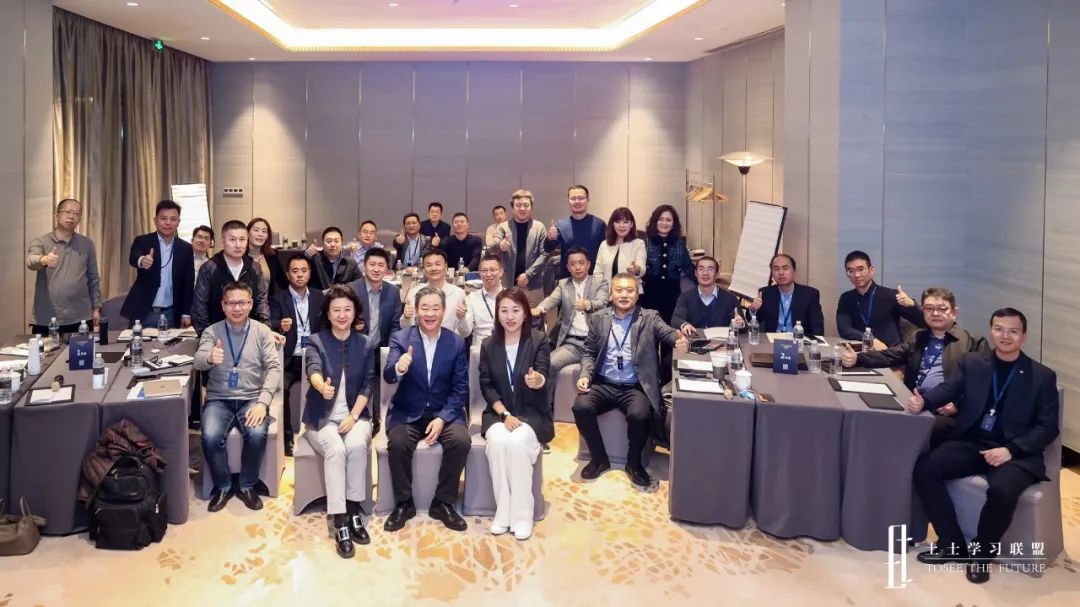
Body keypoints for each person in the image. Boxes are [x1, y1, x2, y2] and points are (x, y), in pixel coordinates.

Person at [909, 308, 1059, 585]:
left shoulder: (1041, 376)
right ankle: (952, 544)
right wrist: (924, 401)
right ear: (991, 330)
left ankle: (981, 555)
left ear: (1024, 336)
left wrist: (1011, 450)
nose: (1005, 336)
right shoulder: (973, 362)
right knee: (924, 469)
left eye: (1013, 331)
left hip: (1015, 453)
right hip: (974, 442)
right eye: (999, 329)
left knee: (1002, 489)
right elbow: (949, 389)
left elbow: (1048, 427)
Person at [572, 273, 688, 488]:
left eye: (629, 290)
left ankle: (634, 464)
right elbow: (588, 351)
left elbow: (669, 333)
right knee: (580, 407)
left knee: (640, 415)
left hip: (635, 386)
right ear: (611, 294)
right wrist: (585, 375)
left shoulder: (650, 317)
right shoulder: (598, 318)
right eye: (619, 290)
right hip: (604, 383)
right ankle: (599, 459)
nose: (624, 295)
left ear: (637, 294)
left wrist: (679, 339)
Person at [842, 287, 988, 446]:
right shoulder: (919, 337)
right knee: (869, 416)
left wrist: (958, 404)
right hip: (912, 401)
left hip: (945, 412)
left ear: (954, 312)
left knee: (905, 431)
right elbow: (892, 355)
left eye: (942, 309)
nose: (935, 313)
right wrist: (858, 358)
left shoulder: (973, 342)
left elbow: (982, 385)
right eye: (929, 309)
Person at [382, 286, 471, 532]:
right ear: (416, 311)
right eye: (424, 308)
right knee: (398, 443)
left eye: (435, 308)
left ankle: (443, 502)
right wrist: (399, 367)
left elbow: (460, 389)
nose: (430, 314)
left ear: (443, 311)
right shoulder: (401, 338)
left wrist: (443, 418)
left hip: (444, 411)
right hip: (408, 410)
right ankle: (404, 503)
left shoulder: (455, 342)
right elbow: (388, 375)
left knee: (461, 441)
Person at [194, 282, 282, 513]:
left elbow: (274, 368)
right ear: (223, 305)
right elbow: (198, 361)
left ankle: (247, 485)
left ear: (251, 304)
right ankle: (223, 485)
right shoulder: (212, 332)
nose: (237, 308)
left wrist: (263, 402)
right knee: (210, 436)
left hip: (252, 397)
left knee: (256, 433)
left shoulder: (262, 332)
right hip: (218, 399)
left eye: (242, 303)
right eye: (231, 303)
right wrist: (210, 357)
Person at [303, 285, 376, 558]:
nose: (342, 315)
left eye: (347, 309)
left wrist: (353, 416)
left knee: (356, 445)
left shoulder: (365, 343)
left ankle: (355, 510)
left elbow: (368, 384)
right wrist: (321, 386)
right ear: (328, 313)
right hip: (322, 419)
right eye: (336, 310)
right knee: (336, 449)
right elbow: (312, 369)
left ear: (355, 312)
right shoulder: (316, 341)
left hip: (356, 415)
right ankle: (341, 521)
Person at [478, 288, 553, 540]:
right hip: (499, 413)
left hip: (531, 413)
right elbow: (486, 385)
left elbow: (543, 373)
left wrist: (537, 380)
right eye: (504, 311)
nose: (509, 317)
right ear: (497, 314)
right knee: (498, 443)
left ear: (525, 313)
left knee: (518, 444)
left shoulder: (538, 340)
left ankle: (522, 516)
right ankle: (503, 512)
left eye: (515, 310)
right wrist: (504, 414)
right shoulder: (489, 345)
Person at [532, 247, 608, 410]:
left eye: (581, 263)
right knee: (549, 363)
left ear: (589, 265)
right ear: (567, 267)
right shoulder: (563, 284)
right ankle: (545, 408)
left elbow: (603, 302)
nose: (577, 267)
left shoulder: (599, 282)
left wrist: (588, 304)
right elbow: (551, 300)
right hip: (572, 344)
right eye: (573, 264)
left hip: (595, 344)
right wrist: (540, 308)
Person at [270, 253, 325, 456]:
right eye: (295, 271)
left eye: (303, 271)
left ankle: (319, 432)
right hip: (290, 358)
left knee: (325, 385)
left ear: (310, 273)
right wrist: (280, 326)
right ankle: (287, 439)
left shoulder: (319, 297)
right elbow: (270, 323)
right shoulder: (278, 298)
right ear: (288, 274)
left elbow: (326, 325)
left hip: (314, 356)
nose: (299, 275)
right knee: (281, 388)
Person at [25, 198, 101, 335]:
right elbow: (30, 261)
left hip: (81, 318)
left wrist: (96, 307)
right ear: (57, 215)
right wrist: (44, 259)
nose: (71, 216)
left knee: (82, 350)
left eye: (76, 214)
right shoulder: (41, 241)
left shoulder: (86, 244)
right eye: (67, 212)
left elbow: (93, 278)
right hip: (48, 319)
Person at [120, 200, 195, 328]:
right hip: (144, 311)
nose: (168, 223)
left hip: (172, 313)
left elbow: (188, 283)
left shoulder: (186, 248)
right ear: (155, 220)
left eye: (173, 219)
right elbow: (134, 257)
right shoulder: (143, 241)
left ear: (178, 222)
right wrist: (142, 260)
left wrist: (186, 313)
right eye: (163, 218)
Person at [193, 220, 270, 334]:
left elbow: (261, 301)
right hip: (216, 334)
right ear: (223, 242)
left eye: (242, 239)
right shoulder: (209, 268)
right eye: (232, 240)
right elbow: (199, 307)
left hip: (249, 334)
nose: (238, 245)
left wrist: (266, 331)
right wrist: (207, 336)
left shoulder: (254, 267)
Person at [836, 250, 925, 347]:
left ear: (871, 270)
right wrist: (871, 340)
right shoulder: (846, 298)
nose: (857, 275)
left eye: (861, 269)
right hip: (860, 352)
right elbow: (844, 329)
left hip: (890, 352)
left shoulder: (891, 295)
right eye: (851, 271)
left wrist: (912, 305)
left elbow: (923, 322)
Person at [639, 204, 694, 324]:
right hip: (649, 296)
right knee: (649, 330)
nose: (664, 223)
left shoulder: (680, 245)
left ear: (674, 223)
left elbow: (689, 269)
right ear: (654, 221)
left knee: (670, 331)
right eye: (660, 219)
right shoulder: (644, 243)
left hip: (673, 297)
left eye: (668, 220)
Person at [748, 253, 826, 335]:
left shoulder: (809, 295)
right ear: (772, 273)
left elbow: (817, 329)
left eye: (785, 268)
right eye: (776, 269)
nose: (781, 273)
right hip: (772, 340)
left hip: (799, 340)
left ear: (794, 271)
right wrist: (753, 309)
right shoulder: (766, 293)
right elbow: (754, 320)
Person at [495, 189, 548, 305]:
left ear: (531, 207)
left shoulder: (539, 227)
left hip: (533, 285)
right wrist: (500, 246)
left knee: (534, 315)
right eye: (518, 205)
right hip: (508, 284)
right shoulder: (502, 227)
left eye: (526, 205)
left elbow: (544, 254)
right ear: (512, 208)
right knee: (508, 315)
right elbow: (491, 250)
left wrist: (529, 275)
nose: (522, 208)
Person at [401, 248, 471, 336]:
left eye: (438, 264)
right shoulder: (414, 293)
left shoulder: (458, 293)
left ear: (446, 267)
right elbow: (405, 328)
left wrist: (462, 319)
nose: (433, 268)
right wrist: (406, 317)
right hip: (421, 341)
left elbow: (465, 333)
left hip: (449, 341)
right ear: (423, 270)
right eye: (429, 265)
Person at [544, 185, 606, 278]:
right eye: (573, 198)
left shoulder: (599, 224)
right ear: (568, 201)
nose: (577, 201)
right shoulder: (561, 225)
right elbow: (548, 249)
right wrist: (549, 238)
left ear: (588, 200)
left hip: (593, 278)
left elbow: (606, 252)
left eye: (581, 198)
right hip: (568, 278)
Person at [671, 257, 743, 337]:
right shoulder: (685, 297)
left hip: (723, 343)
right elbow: (676, 319)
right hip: (694, 342)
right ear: (695, 273)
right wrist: (685, 324)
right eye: (701, 269)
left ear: (717, 274)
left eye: (710, 269)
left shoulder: (731, 299)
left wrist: (740, 324)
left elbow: (744, 328)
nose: (705, 273)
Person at [346, 248, 402, 349]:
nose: (376, 269)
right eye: (372, 264)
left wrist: (389, 350)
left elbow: (395, 325)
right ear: (364, 266)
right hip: (354, 349)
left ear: (386, 269)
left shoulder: (393, 292)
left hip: (381, 349)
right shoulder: (351, 290)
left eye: (381, 265)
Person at [593, 207, 646, 288]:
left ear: (631, 224)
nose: (621, 226)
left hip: (631, 292)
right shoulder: (604, 245)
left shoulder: (639, 243)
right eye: (617, 222)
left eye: (625, 222)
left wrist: (637, 269)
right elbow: (598, 273)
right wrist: (600, 291)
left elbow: (642, 267)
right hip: (607, 292)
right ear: (612, 224)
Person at [464, 254, 505, 342]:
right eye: (484, 270)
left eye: (492, 270)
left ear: (501, 272)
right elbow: (465, 333)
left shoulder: (511, 297)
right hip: (480, 347)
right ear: (479, 273)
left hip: (506, 344)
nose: (488, 274)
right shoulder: (471, 298)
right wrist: (461, 319)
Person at [247, 217, 287, 296]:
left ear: (268, 236)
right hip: (242, 302)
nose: (260, 234)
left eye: (264, 231)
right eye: (256, 230)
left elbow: (283, 283)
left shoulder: (271, 256)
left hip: (267, 302)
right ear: (247, 233)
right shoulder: (239, 255)